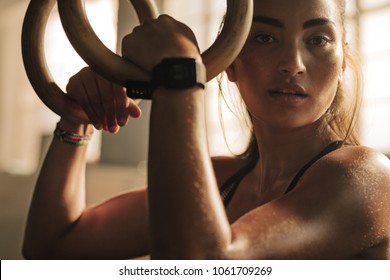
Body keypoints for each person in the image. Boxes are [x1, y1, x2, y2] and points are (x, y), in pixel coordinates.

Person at [23, 0, 390, 259]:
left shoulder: (366, 177)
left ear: (343, 62)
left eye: (317, 39)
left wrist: (180, 72)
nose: (292, 64)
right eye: (264, 38)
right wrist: (77, 120)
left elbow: (201, 265)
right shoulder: (218, 179)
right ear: (230, 62)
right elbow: (51, 246)